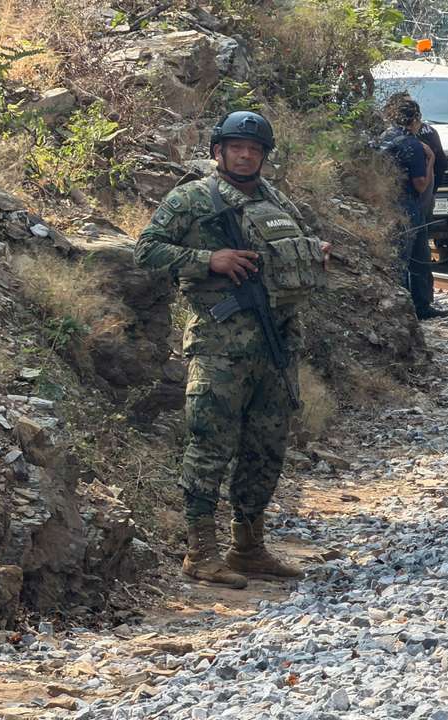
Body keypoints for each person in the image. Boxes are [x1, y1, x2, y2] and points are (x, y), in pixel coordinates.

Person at [135, 110, 330, 588]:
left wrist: (311, 253)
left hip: (275, 344)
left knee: (266, 449)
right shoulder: (191, 198)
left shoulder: (275, 199)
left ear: (264, 156)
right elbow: (146, 250)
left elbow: (296, 246)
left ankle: (248, 548)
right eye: (237, 147)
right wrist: (208, 259)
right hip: (218, 347)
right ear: (218, 151)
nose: (246, 156)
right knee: (209, 445)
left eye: (255, 149)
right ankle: (199, 552)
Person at [377, 92, 448, 320]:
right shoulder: (413, 145)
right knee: (414, 257)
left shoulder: (384, 138)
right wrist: (430, 161)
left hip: (385, 204)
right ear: (415, 119)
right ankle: (415, 307)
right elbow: (420, 184)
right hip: (408, 205)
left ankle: (408, 305)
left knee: (402, 255)